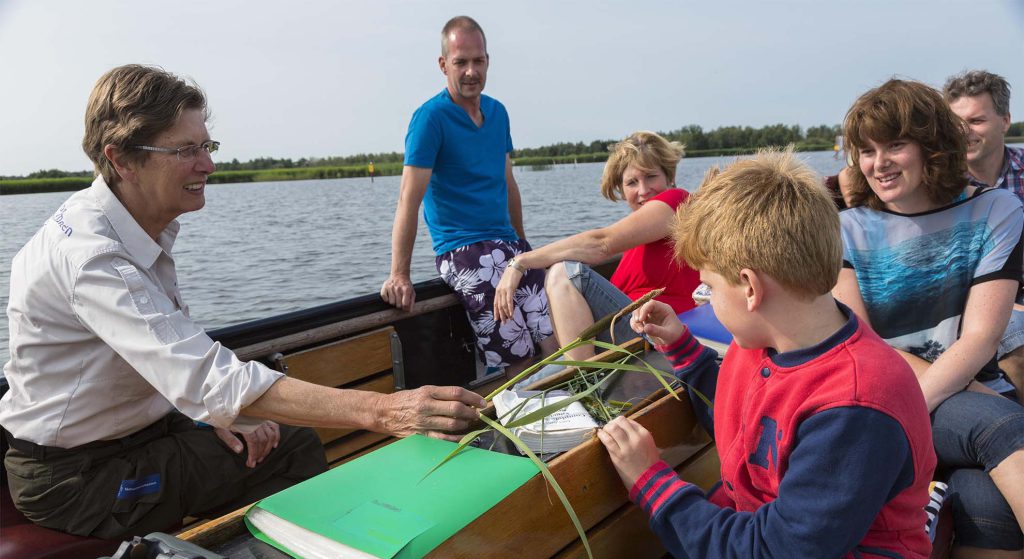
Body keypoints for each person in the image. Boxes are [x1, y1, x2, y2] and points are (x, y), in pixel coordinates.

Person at [0, 64, 485, 540]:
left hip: (135, 434)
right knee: (291, 451)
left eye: (206, 146)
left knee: (284, 440)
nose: (208, 164)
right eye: (186, 150)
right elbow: (206, 375)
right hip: (77, 477)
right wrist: (386, 411)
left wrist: (210, 415)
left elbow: (174, 364)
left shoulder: (132, 228)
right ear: (122, 159)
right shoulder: (93, 258)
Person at [598, 149, 937, 558]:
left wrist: (650, 481)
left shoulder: (855, 405)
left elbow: (773, 550)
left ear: (751, 289)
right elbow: (749, 431)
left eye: (707, 288)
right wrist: (681, 346)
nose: (704, 300)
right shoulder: (764, 344)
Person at [835, 78, 1024, 557]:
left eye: (895, 145)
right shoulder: (845, 230)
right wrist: (900, 416)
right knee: (1006, 427)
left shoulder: (996, 209)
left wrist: (922, 404)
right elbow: (865, 345)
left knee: (986, 498)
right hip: (889, 397)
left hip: (966, 390)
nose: (879, 164)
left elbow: (981, 339)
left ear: (932, 146)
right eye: (866, 150)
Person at [380, 16, 555, 377]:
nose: (471, 71)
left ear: (488, 61)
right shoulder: (430, 119)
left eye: (478, 61)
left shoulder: (498, 112)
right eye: (461, 62)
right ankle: (523, 423)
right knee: (518, 356)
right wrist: (399, 273)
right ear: (444, 65)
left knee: (554, 335)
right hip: (464, 251)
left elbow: (509, 185)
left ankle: (576, 416)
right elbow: (407, 200)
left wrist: (524, 246)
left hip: (508, 247)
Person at [493, 131, 700, 365]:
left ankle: (584, 379)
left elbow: (602, 243)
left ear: (668, 178)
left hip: (660, 338)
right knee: (520, 388)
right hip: (630, 335)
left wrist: (519, 262)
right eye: (632, 182)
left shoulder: (677, 202)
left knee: (561, 272)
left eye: (651, 177)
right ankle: (579, 372)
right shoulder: (637, 241)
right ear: (621, 191)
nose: (643, 190)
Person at [944, 70, 1024, 402]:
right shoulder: (939, 187)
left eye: (976, 121)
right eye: (956, 123)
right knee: (1018, 343)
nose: (965, 133)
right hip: (970, 302)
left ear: (1005, 121)